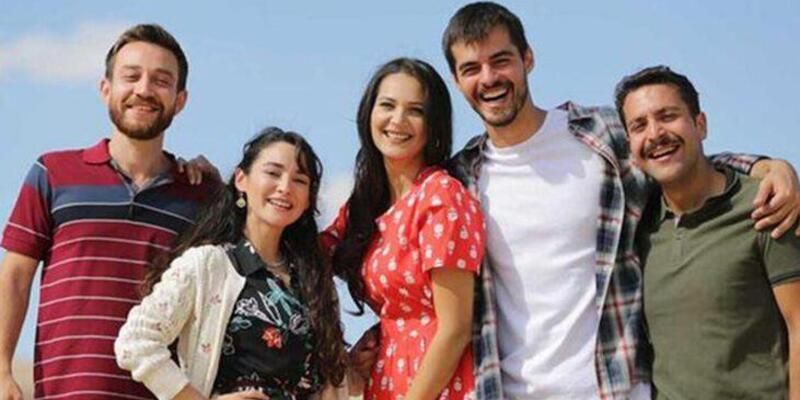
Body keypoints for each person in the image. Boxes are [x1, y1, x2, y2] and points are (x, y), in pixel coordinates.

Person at [434, 2, 800, 399]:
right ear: (457, 80)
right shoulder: (460, 180)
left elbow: (677, 159)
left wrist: (768, 167)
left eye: (501, 60)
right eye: (471, 68)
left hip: (617, 390)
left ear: (528, 59)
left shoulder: (600, 135)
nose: (489, 78)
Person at [0, 24, 217, 399]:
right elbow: (16, 277)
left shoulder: (204, 197)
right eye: (131, 76)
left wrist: (222, 183)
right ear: (106, 89)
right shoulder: (52, 173)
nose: (144, 90)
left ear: (180, 100)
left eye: (161, 80)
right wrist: (2, 368)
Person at [115, 127, 347, 400]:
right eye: (273, 173)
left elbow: (329, 380)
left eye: (299, 180)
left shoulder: (314, 281)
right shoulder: (208, 264)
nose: (285, 187)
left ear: (308, 199)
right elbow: (136, 342)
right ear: (241, 179)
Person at [616, 66, 800, 399]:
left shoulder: (764, 205)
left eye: (668, 116)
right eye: (639, 126)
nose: (655, 134)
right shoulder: (636, 228)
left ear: (700, 125)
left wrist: (778, 167)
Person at [322, 58, 485, 400]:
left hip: (439, 385)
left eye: (415, 111)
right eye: (387, 105)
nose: (398, 120)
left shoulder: (441, 196)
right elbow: (304, 255)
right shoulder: (364, 205)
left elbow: (455, 328)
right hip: (386, 379)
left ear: (433, 125)